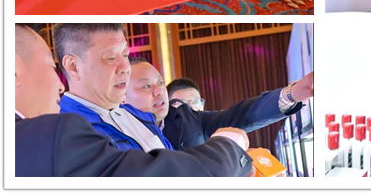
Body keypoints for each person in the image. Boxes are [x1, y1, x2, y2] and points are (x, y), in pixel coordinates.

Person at [15, 25, 254, 177]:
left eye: (126, 55)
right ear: (73, 66)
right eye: (110, 58)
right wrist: (228, 148)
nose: (125, 68)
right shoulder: (60, 131)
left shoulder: (139, 115)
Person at [126, 58, 313, 151]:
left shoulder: (187, 119)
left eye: (160, 83)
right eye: (146, 86)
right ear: (121, 95)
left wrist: (292, 94)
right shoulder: (113, 137)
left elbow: (242, 115)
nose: (158, 91)